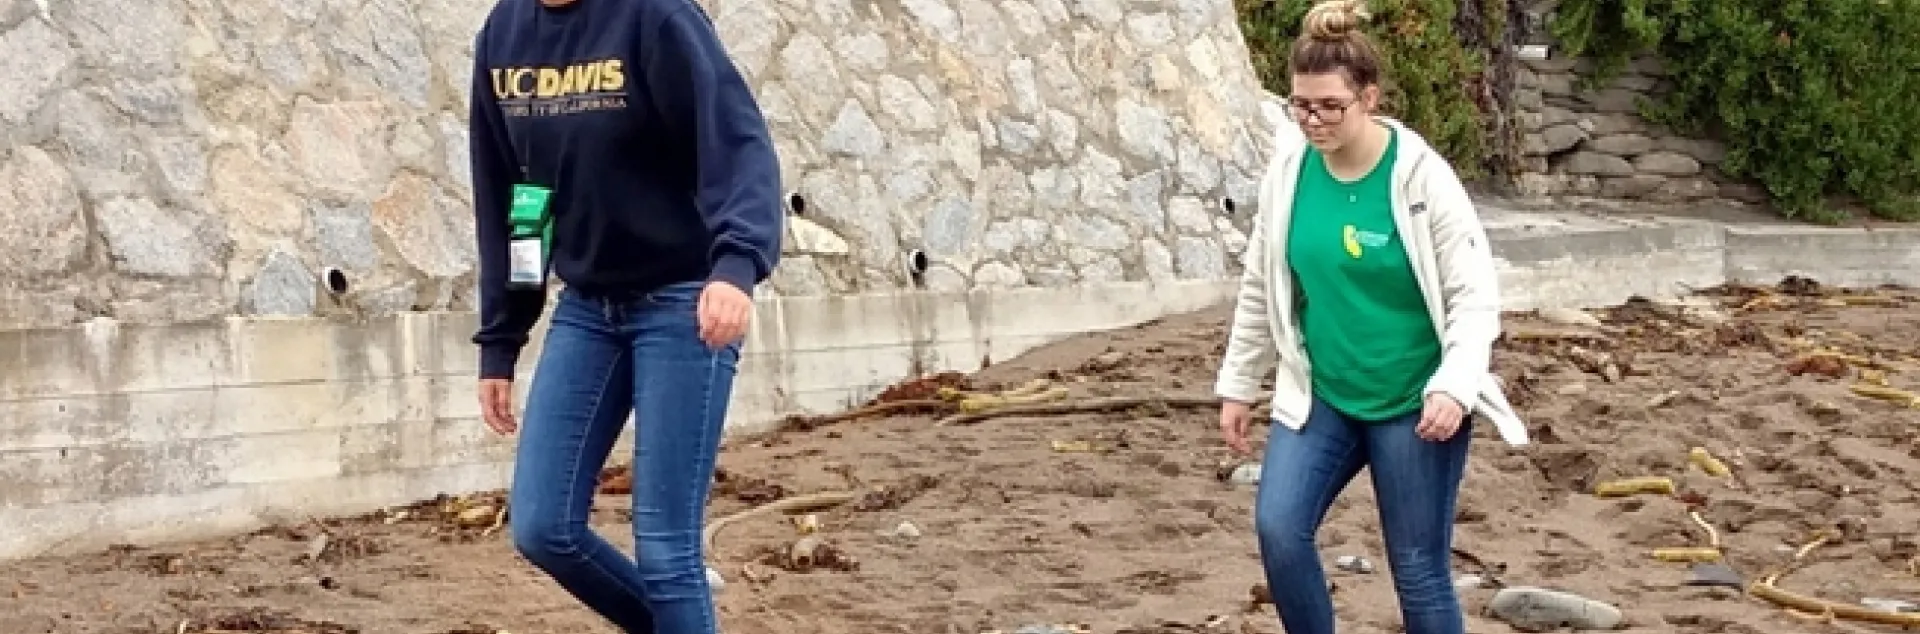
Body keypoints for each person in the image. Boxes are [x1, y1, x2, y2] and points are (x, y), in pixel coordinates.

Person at [1212, 1, 1531, 633]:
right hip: (1325, 393)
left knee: (1418, 568)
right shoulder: (1289, 174)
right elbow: (1262, 285)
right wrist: (1237, 383)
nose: (1314, 120)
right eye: (1300, 105)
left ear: (1369, 98)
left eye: (1330, 105)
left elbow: (1473, 296)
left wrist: (1454, 383)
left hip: (1416, 402)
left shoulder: (1420, 178)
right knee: (1279, 528)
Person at [464, 0, 783, 630]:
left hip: (683, 303)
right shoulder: (505, 36)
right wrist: (503, 336)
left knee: (667, 552)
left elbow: (736, 144)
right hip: (586, 310)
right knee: (541, 527)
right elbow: (518, 200)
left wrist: (736, 265)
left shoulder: (655, 18)